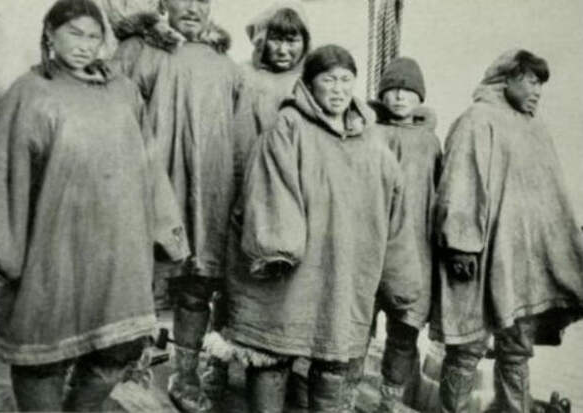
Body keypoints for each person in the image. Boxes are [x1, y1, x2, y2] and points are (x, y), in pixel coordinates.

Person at [0, 0, 189, 411]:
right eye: (74, 34)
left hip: (117, 249)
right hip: (53, 249)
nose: (85, 45)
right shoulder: (29, 94)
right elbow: (2, 173)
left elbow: (151, 167)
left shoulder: (123, 92)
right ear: (50, 35)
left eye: (93, 36)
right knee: (41, 355)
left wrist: (164, 231)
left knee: (118, 348)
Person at [218, 44, 422, 413]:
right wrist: (276, 248)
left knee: (333, 361)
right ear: (310, 84)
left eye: (346, 80)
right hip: (289, 274)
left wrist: (402, 281)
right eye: (329, 80)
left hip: (344, 274)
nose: (339, 89)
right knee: (272, 354)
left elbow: (396, 213)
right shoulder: (287, 127)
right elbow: (268, 189)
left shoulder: (373, 144)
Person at [112, 1, 256, 411]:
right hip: (150, 186)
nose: (193, 7)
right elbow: (110, 120)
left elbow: (242, 140)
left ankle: (185, 371)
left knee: (197, 283)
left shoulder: (226, 66)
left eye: (202, 0)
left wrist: (241, 195)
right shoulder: (136, 52)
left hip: (209, 190)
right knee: (136, 280)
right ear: (162, 3)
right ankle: (129, 367)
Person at [432, 49, 583, 413]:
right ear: (506, 79)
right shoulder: (477, 120)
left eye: (540, 84)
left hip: (523, 262)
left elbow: (550, 197)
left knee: (517, 347)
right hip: (479, 257)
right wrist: (460, 245)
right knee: (467, 345)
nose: (537, 91)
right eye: (531, 81)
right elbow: (459, 184)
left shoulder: (535, 128)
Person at [369, 56, 442, 412]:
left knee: (403, 332)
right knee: (355, 327)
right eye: (393, 89)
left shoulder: (430, 143)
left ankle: (390, 401)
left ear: (420, 97)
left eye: (408, 91)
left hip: (415, 250)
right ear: (382, 95)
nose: (399, 97)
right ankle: (342, 396)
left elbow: (439, 196)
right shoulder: (367, 132)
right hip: (369, 246)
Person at [242, 1, 311, 134]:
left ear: (305, 43)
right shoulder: (244, 76)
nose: (282, 50)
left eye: (291, 41)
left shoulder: (312, 80)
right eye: (276, 40)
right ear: (262, 41)